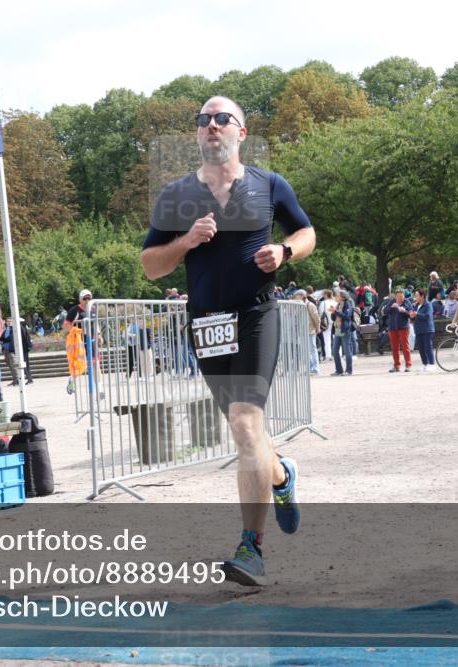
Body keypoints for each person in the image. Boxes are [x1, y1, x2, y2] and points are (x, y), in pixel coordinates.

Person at [140, 95, 315, 587]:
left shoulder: (268, 184)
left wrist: (283, 251)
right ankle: (281, 475)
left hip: (257, 316)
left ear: (240, 131)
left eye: (222, 119)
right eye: (203, 120)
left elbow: (306, 231)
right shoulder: (177, 196)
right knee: (248, 435)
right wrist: (185, 242)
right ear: (198, 134)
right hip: (206, 326)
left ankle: (251, 550)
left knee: (243, 425)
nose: (211, 125)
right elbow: (152, 265)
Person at [384, 288, 414, 372]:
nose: (400, 298)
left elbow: (411, 314)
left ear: (404, 296)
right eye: (398, 296)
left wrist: (404, 311)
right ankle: (396, 366)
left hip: (403, 327)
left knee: (405, 347)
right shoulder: (391, 301)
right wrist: (391, 307)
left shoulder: (407, 302)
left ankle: (408, 365)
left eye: (401, 296)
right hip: (392, 328)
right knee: (394, 348)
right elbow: (385, 311)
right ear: (395, 296)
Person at [294, 290, 320, 375]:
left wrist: (318, 328)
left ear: (301, 295)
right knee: (306, 351)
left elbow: (316, 318)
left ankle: (315, 369)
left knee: (312, 349)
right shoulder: (299, 305)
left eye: (296, 296)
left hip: (310, 330)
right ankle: (309, 369)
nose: (295, 297)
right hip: (302, 331)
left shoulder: (310, 305)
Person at [410, 288, 436, 371]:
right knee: (421, 348)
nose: (416, 297)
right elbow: (415, 316)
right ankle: (425, 364)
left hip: (427, 329)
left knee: (428, 347)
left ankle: (432, 364)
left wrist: (417, 314)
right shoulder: (416, 305)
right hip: (418, 329)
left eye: (417, 295)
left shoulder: (428, 305)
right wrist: (412, 317)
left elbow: (428, 316)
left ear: (422, 296)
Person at [2, 316, 34, 384]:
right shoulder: (12, 328)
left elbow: (24, 338)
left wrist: (27, 347)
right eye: (8, 321)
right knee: (21, 364)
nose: (9, 323)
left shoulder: (19, 327)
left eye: (10, 321)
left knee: (24, 363)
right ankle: (26, 379)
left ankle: (29, 379)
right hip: (18, 349)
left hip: (22, 349)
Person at [330, 290, 355, 376]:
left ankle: (349, 370)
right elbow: (334, 318)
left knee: (347, 351)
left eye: (337, 295)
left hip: (345, 330)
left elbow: (347, 316)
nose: (336, 296)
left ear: (342, 297)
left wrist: (336, 312)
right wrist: (333, 313)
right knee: (335, 350)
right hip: (337, 330)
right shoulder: (338, 305)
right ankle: (339, 370)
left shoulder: (348, 304)